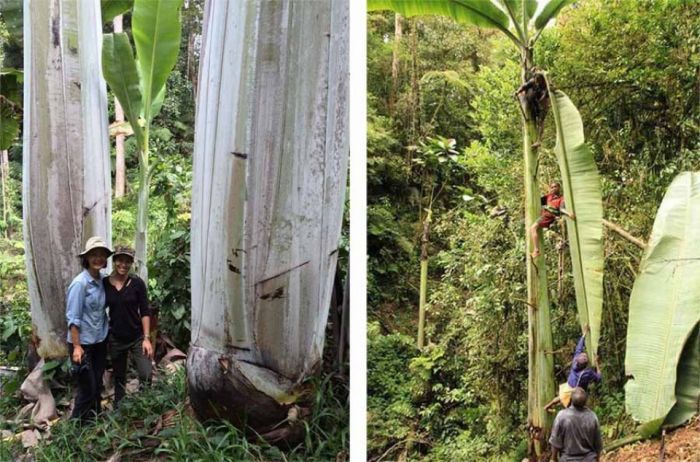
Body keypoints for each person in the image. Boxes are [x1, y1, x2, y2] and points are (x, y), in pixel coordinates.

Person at [66, 236, 112, 422]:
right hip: (82, 344)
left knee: (97, 382)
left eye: (101, 255)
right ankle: (74, 427)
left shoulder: (103, 280)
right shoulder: (80, 284)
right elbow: (73, 318)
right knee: (87, 387)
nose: (98, 258)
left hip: (99, 341)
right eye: (94, 255)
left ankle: (93, 420)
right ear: (86, 258)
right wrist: (77, 347)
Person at [104, 245, 153, 407]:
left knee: (146, 374)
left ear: (131, 263)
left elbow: (145, 311)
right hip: (116, 338)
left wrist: (146, 338)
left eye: (127, 261)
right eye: (120, 260)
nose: (123, 265)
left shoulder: (137, 283)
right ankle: (120, 410)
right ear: (114, 261)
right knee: (119, 377)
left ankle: (145, 406)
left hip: (137, 337)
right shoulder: (104, 283)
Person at [545, 325, 601, 412]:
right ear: (585, 365)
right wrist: (597, 363)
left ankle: (547, 407)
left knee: (560, 397)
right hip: (575, 391)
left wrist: (584, 333)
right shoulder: (587, 373)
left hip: (568, 385)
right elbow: (598, 378)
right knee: (573, 407)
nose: (583, 354)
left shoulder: (575, 360)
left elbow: (579, 347)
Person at [549, 387, 603, 461]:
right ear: (585, 402)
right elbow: (598, 445)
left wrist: (554, 459)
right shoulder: (592, 416)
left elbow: (555, 442)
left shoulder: (561, 416)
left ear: (570, 400)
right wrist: (597, 460)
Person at [529, 182, 575, 258]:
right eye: (552, 187)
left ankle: (536, 250)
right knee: (533, 228)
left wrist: (569, 213)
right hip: (545, 216)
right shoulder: (549, 196)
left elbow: (561, 209)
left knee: (533, 228)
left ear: (559, 187)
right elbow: (538, 201)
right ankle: (536, 250)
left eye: (555, 187)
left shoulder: (562, 198)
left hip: (549, 217)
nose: (553, 188)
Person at [515, 72, 550, 148]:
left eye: (539, 81)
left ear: (542, 80)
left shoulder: (545, 87)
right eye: (536, 80)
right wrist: (518, 92)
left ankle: (538, 141)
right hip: (535, 103)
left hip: (542, 106)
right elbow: (524, 86)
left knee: (540, 122)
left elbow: (543, 98)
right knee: (528, 92)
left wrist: (539, 101)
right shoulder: (533, 81)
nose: (537, 82)